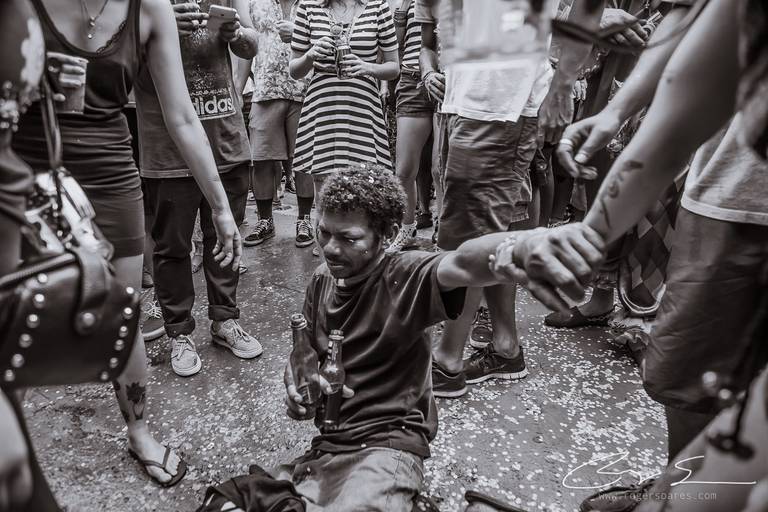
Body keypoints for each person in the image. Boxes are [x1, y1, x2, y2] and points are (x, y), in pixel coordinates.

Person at [278, 168, 604, 511]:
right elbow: (304, 355)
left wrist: (525, 245)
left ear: (388, 235)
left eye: (348, 239)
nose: (330, 248)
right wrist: (297, 387)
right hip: (329, 443)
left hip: (387, 446)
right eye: (324, 232)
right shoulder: (321, 280)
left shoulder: (404, 275)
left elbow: (463, 263)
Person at [13, 0, 243, 486]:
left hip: (110, 172)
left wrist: (221, 207)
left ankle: (139, 432)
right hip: (23, 170)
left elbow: (182, 117)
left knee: (123, 311)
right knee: (16, 310)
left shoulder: (150, 9)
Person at [418, 0, 603, 398]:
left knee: (466, 238)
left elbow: (589, 7)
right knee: (493, 233)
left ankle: (447, 361)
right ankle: (505, 347)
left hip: (500, 104)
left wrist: (562, 85)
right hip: (474, 97)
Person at [134, 0, 261, 378]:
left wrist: (236, 35)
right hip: (167, 150)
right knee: (171, 247)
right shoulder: (144, 5)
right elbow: (116, 62)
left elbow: (252, 44)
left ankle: (225, 320)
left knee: (225, 240)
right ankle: (179, 333)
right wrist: (157, 27)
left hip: (226, 139)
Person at [288, 0, 400, 190]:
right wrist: (310, 55)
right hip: (323, 106)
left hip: (362, 106)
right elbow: (294, 70)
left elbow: (394, 67)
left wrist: (367, 67)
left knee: (363, 179)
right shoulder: (308, 6)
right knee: (323, 181)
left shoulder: (377, 6)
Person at [242, 0, 316, 249]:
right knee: (261, 159)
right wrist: (238, 88)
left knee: (304, 160)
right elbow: (248, 48)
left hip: (305, 90)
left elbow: (330, 39)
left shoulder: (314, 3)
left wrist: (299, 34)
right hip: (265, 89)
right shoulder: (255, 3)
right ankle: (265, 221)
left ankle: (304, 220)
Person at [384, 0, 434, 253]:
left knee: (442, 169)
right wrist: (402, 8)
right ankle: (406, 229)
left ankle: (444, 233)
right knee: (404, 170)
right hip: (412, 79)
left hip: (449, 79)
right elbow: (395, 43)